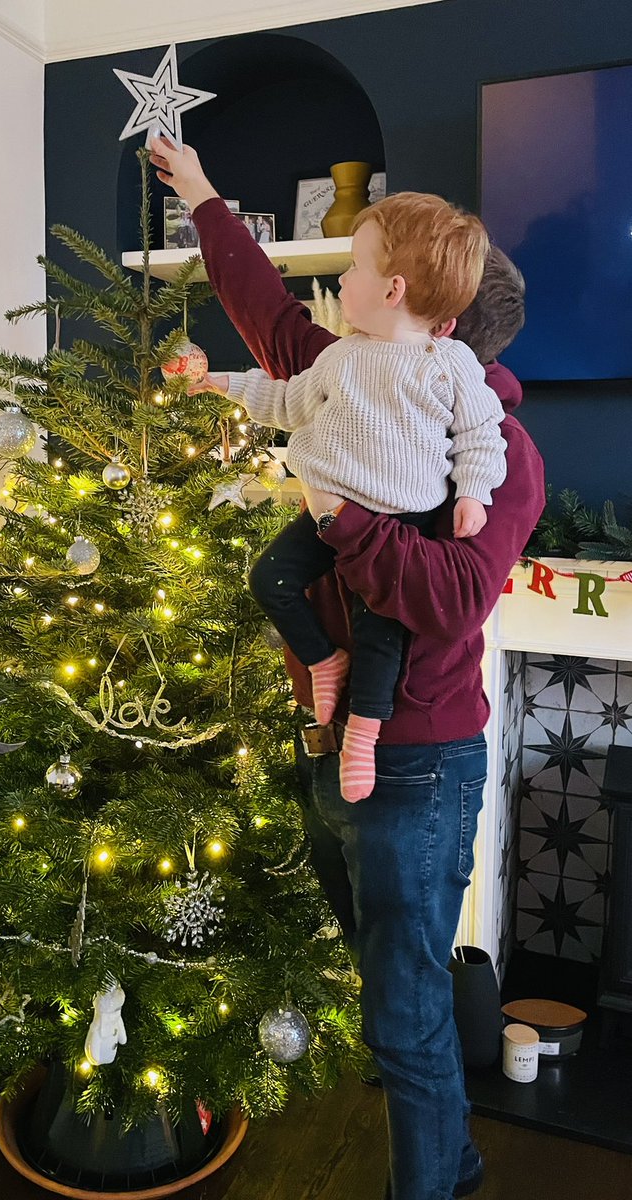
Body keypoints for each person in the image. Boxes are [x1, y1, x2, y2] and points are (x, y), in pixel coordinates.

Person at [150, 137, 544, 1200]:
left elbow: (454, 600)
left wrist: (345, 521)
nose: (342, 298)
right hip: (333, 745)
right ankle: (453, 1169)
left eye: (364, 280)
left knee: (406, 1020)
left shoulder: (495, 451)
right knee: (389, 998)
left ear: (432, 324)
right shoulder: (355, 381)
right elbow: (269, 315)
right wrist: (199, 195)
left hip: (418, 764)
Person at [193, 192, 507, 803]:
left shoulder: (449, 365)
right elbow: (288, 400)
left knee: (381, 636)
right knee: (271, 579)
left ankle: (363, 732)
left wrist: (474, 492)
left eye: (355, 266)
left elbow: (481, 434)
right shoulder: (341, 357)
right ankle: (320, 660)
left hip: (400, 521)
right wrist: (220, 382)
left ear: (392, 289)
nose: (342, 278)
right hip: (325, 515)